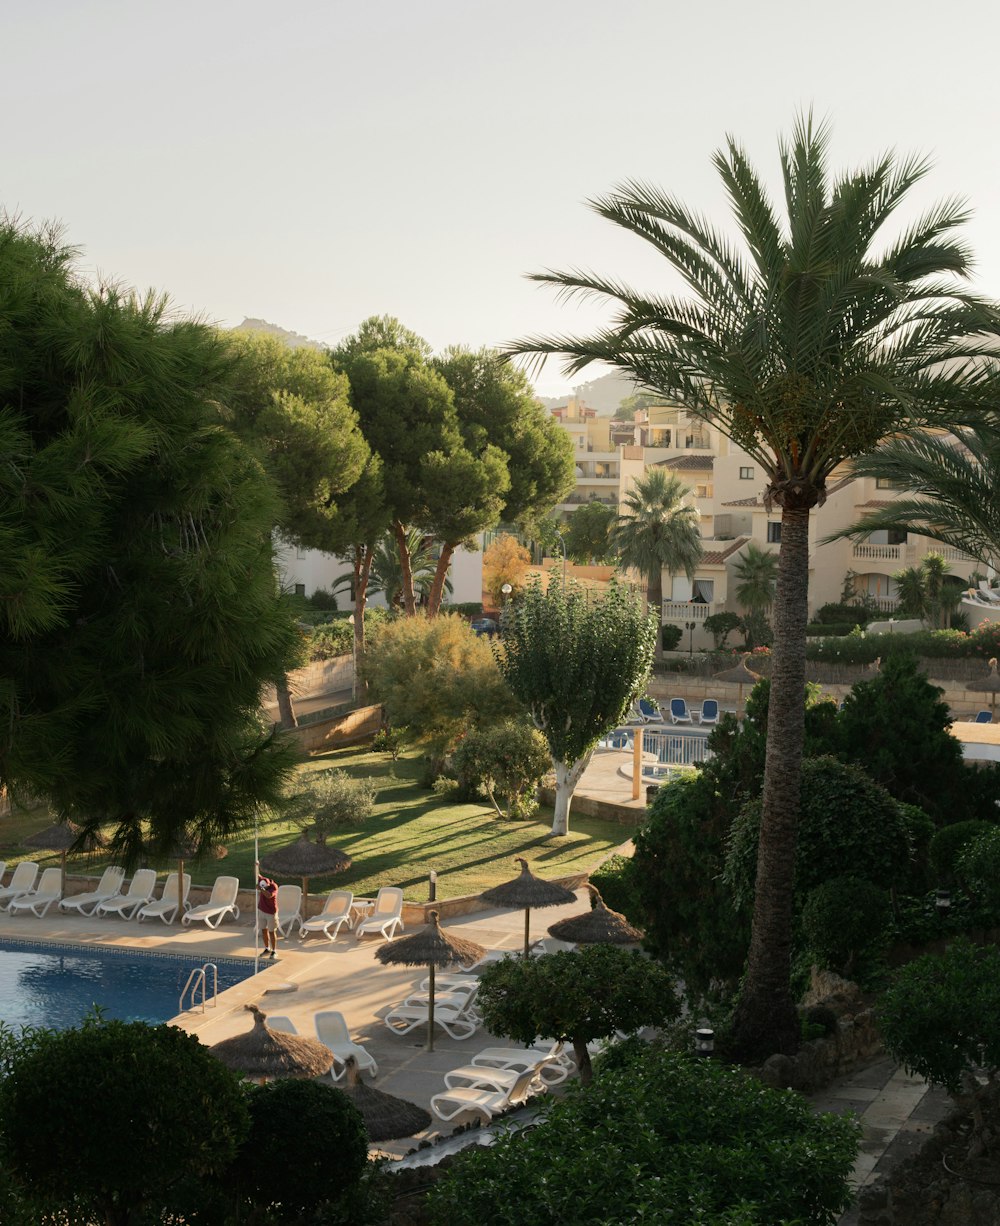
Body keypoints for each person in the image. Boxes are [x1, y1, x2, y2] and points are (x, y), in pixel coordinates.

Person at [256, 868, 279, 958]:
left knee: (271, 932)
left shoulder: (274, 887)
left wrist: (261, 889)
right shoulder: (263, 880)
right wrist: (256, 866)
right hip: (262, 911)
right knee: (263, 930)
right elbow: (256, 874)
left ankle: (274, 951)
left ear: (268, 885)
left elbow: (268, 895)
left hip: (271, 913)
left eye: (265, 887)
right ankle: (267, 948)